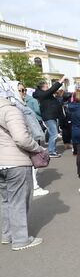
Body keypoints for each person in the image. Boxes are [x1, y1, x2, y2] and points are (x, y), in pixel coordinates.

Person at [0, 93, 44, 251]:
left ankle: (7, 235)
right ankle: (20, 239)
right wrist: (37, 148)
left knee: (5, 201)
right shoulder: (9, 110)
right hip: (16, 161)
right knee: (18, 201)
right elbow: (21, 138)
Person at [14, 82, 49, 197]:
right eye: (21, 90)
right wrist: (33, 144)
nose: (24, 93)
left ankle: (33, 186)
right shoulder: (16, 106)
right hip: (28, 139)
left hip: (31, 137)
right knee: (32, 164)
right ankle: (34, 187)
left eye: (24, 90)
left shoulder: (21, 103)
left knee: (31, 165)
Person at [33, 77, 65, 158]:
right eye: (46, 87)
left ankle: (52, 150)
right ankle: (51, 151)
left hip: (51, 116)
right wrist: (60, 82)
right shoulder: (41, 94)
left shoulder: (44, 94)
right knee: (54, 134)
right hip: (49, 116)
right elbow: (52, 89)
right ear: (42, 87)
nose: (48, 89)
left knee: (53, 133)